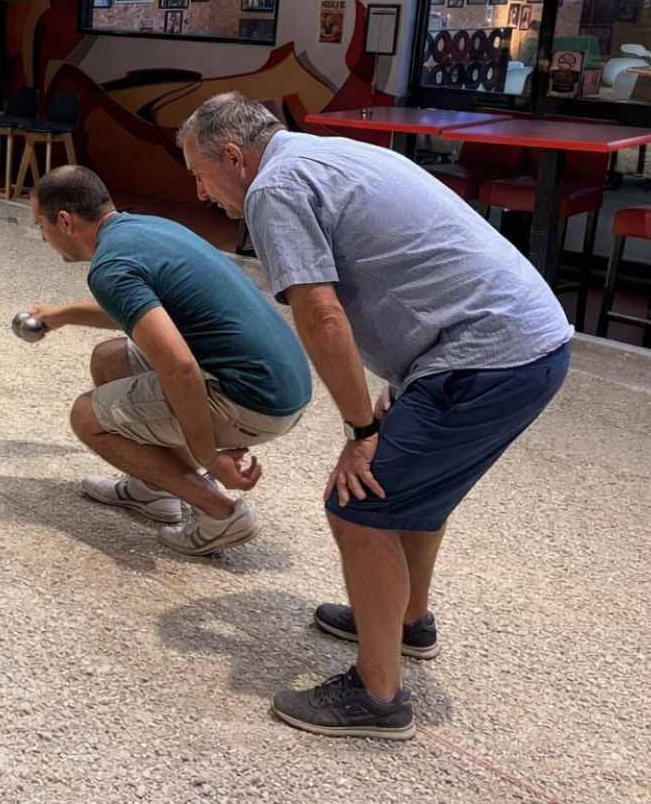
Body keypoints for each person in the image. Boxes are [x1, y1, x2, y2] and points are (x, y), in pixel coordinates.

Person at [178, 93, 572, 740]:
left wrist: (361, 431)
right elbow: (409, 266)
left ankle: (378, 695)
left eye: (198, 174)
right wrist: (396, 391)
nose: (199, 192)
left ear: (233, 156)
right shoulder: (318, 155)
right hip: (523, 340)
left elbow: (322, 314)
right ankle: (406, 619)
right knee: (406, 491)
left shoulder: (272, 188)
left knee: (358, 501)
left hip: (488, 355)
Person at [24, 166, 313, 555]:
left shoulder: (109, 267)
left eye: (41, 225)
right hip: (285, 383)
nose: (42, 237)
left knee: (86, 416)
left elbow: (180, 368)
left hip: (254, 400)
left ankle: (222, 512)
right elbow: (141, 312)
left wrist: (210, 455)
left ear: (64, 220)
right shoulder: (144, 228)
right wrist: (64, 314)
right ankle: (154, 489)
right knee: (110, 360)